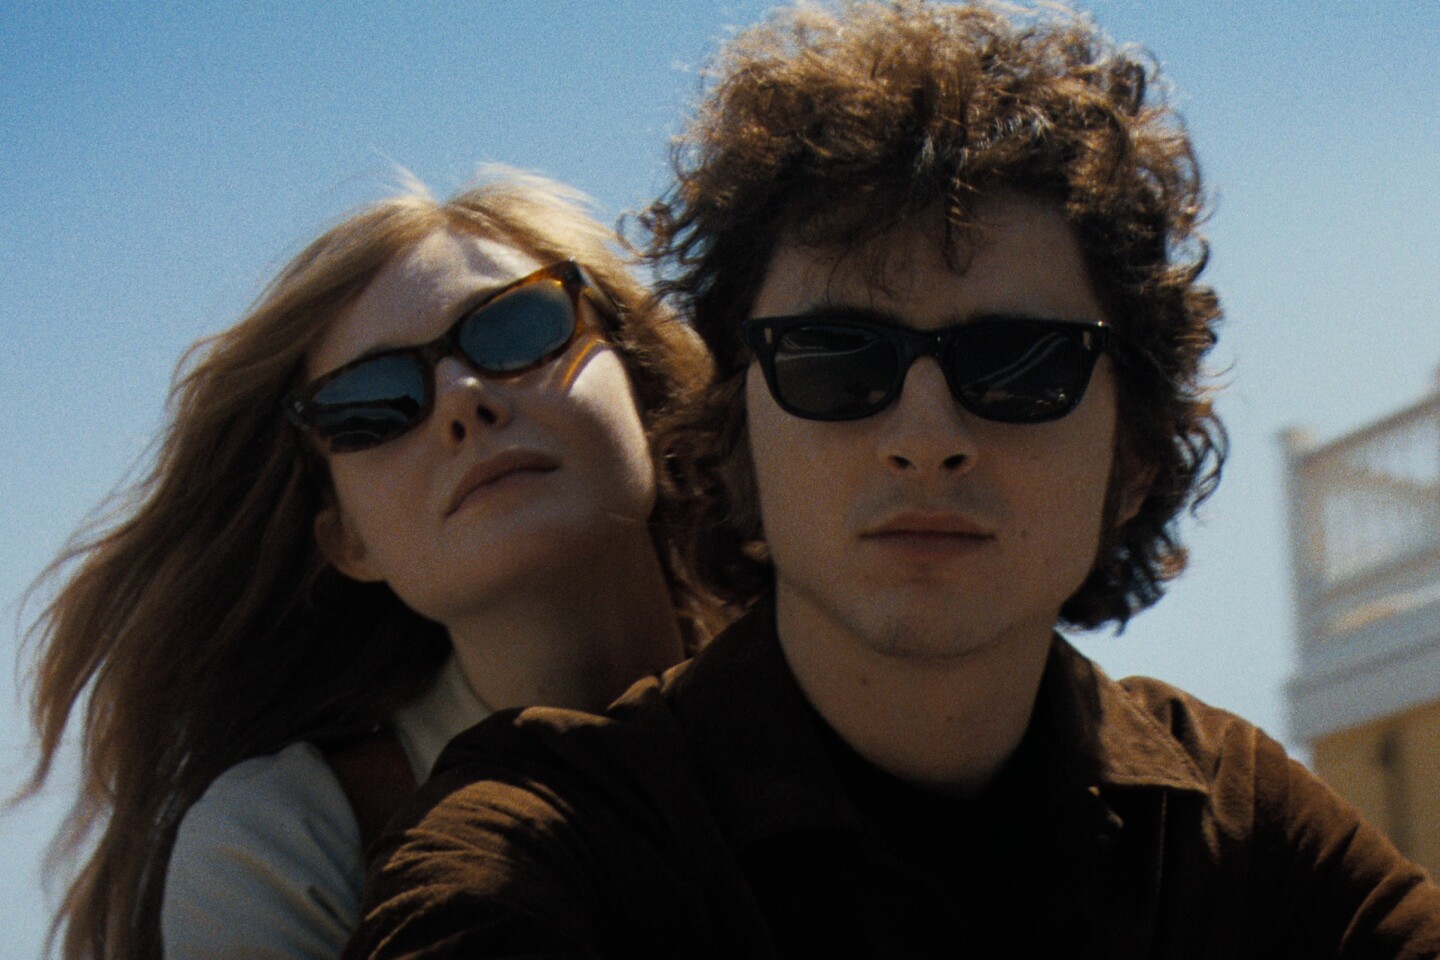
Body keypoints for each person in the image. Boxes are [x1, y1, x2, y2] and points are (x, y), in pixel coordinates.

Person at [348, 3, 1440, 957]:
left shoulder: (1233, 824)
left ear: (1134, 458)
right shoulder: (550, 846)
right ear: (731, 440)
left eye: (1020, 366)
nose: (927, 434)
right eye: (836, 359)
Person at [20, 170, 722, 959]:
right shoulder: (284, 841)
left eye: (517, 325)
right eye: (372, 404)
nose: (463, 397)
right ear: (348, 544)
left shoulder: (857, 682)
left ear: (646, 387)